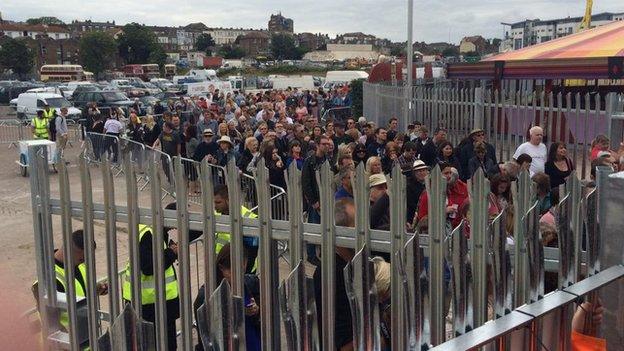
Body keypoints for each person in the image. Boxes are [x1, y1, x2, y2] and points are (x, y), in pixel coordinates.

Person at [32, 230, 108, 338]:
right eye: (82, 258)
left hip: (86, 338)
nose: (84, 261)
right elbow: (52, 326)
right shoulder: (47, 282)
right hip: (68, 342)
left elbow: (80, 290)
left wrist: (97, 288)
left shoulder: (79, 265)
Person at [122, 220, 179, 350]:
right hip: (150, 303)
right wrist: (171, 252)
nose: (175, 228)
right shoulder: (149, 234)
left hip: (152, 301)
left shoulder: (153, 230)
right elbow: (148, 267)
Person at [193, 243, 261, 351]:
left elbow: (266, 316)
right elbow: (206, 335)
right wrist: (235, 312)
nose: (237, 276)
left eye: (241, 270)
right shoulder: (207, 294)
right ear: (221, 267)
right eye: (231, 271)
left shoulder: (251, 283)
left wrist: (257, 310)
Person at [314, 198, 356, 350]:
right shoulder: (329, 272)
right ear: (342, 232)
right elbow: (338, 337)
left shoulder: (353, 263)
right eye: (357, 224)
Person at [212, 185, 259, 273]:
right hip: (222, 266)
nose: (215, 206)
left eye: (218, 202)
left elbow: (252, 251)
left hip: (242, 269)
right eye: (214, 202)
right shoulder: (216, 215)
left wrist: (245, 273)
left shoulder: (248, 218)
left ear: (229, 200)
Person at [301, 135, 332, 265]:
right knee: (313, 226)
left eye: (328, 144)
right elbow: (306, 182)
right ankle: (311, 254)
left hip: (326, 199)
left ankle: (324, 252)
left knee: (325, 227)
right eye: (324, 144)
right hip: (316, 200)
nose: (326, 146)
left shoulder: (327, 160)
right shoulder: (310, 161)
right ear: (318, 145)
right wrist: (313, 201)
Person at [417, 163, 468, 230]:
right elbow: (422, 220)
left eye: (450, 173)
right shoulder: (427, 194)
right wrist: (444, 211)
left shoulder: (447, 192)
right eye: (446, 173)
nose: (449, 176)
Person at [405, 160, 428, 228]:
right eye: (419, 171)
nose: (422, 173)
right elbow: (411, 204)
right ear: (414, 173)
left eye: (424, 170)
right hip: (413, 217)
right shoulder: (409, 186)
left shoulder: (430, 184)